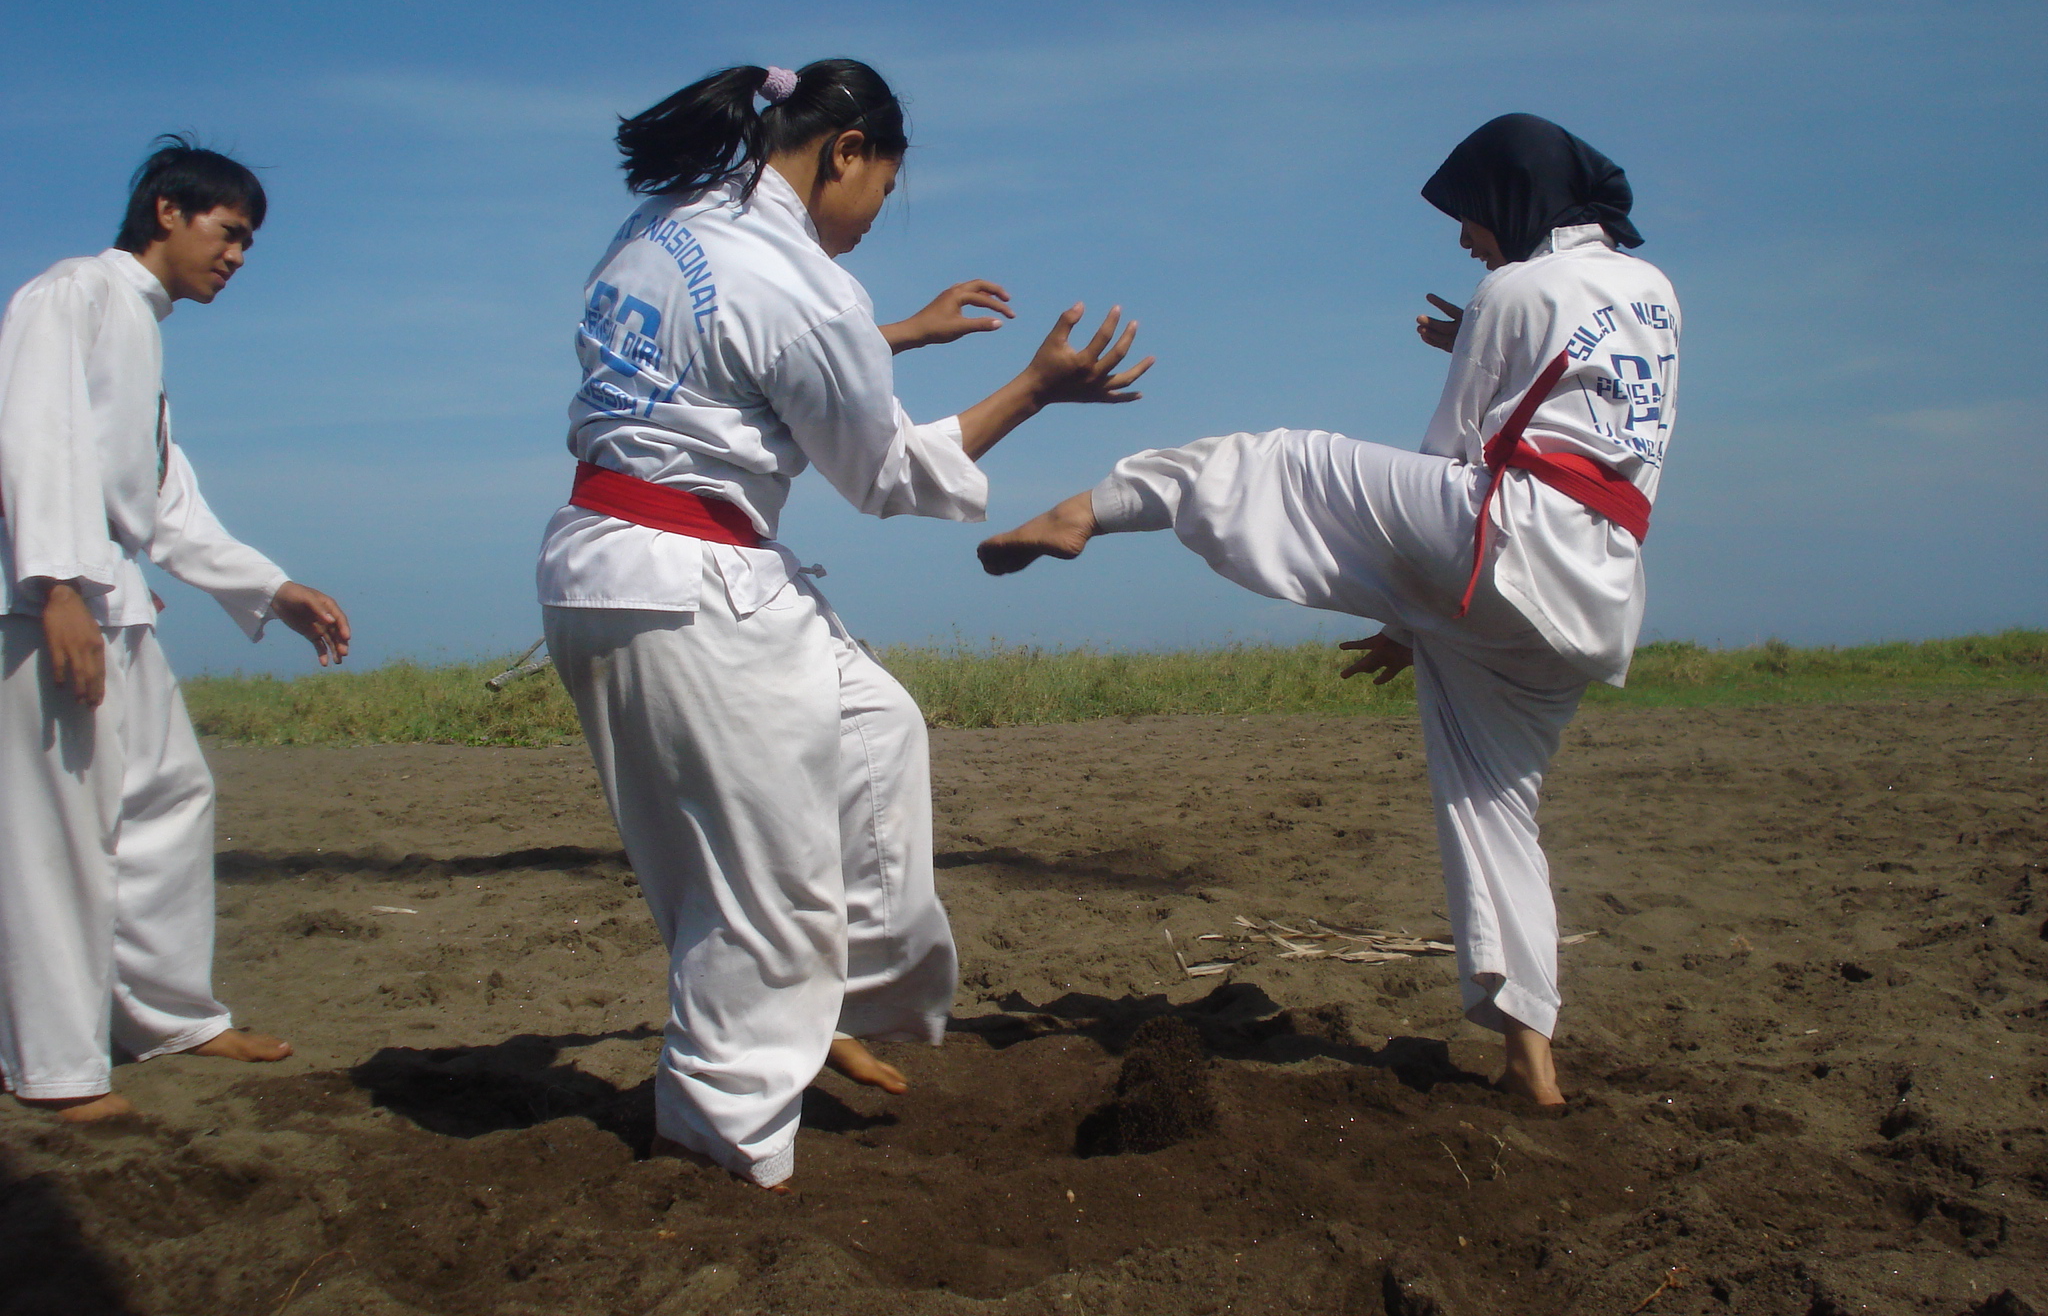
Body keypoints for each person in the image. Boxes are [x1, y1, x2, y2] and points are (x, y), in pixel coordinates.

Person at [979, 113, 1679, 1106]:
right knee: (1492, 808)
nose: (1462, 238)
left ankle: (1084, 511)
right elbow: (1581, 407)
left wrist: (1407, 605)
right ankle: (1532, 1063)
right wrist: (1420, 610)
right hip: (1593, 589)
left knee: (1274, 465)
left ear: (1509, 201)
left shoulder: (1514, 289)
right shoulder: (1651, 292)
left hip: (1501, 539)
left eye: (1467, 216)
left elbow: (1454, 454)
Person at [537, 59, 1149, 1188]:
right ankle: (721, 1150)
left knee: (876, 726)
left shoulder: (671, 219)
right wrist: (1033, 388)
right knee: (762, 901)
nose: (873, 219)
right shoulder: (799, 282)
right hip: (692, 588)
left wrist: (897, 334)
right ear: (847, 151)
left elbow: (742, 360)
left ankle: (838, 999)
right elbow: (884, 474)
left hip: (606, 565)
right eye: (882, 189)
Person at [0, 137, 353, 1122]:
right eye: (228, 232)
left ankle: (167, 1016)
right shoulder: (71, 293)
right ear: (168, 211)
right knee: (57, 836)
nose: (237, 256)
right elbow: (27, 432)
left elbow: (161, 501)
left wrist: (271, 588)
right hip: (53, 607)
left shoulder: (139, 327)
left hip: (112, 599)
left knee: (170, 797)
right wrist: (55, 585)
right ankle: (56, 1067)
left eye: (248, 242)